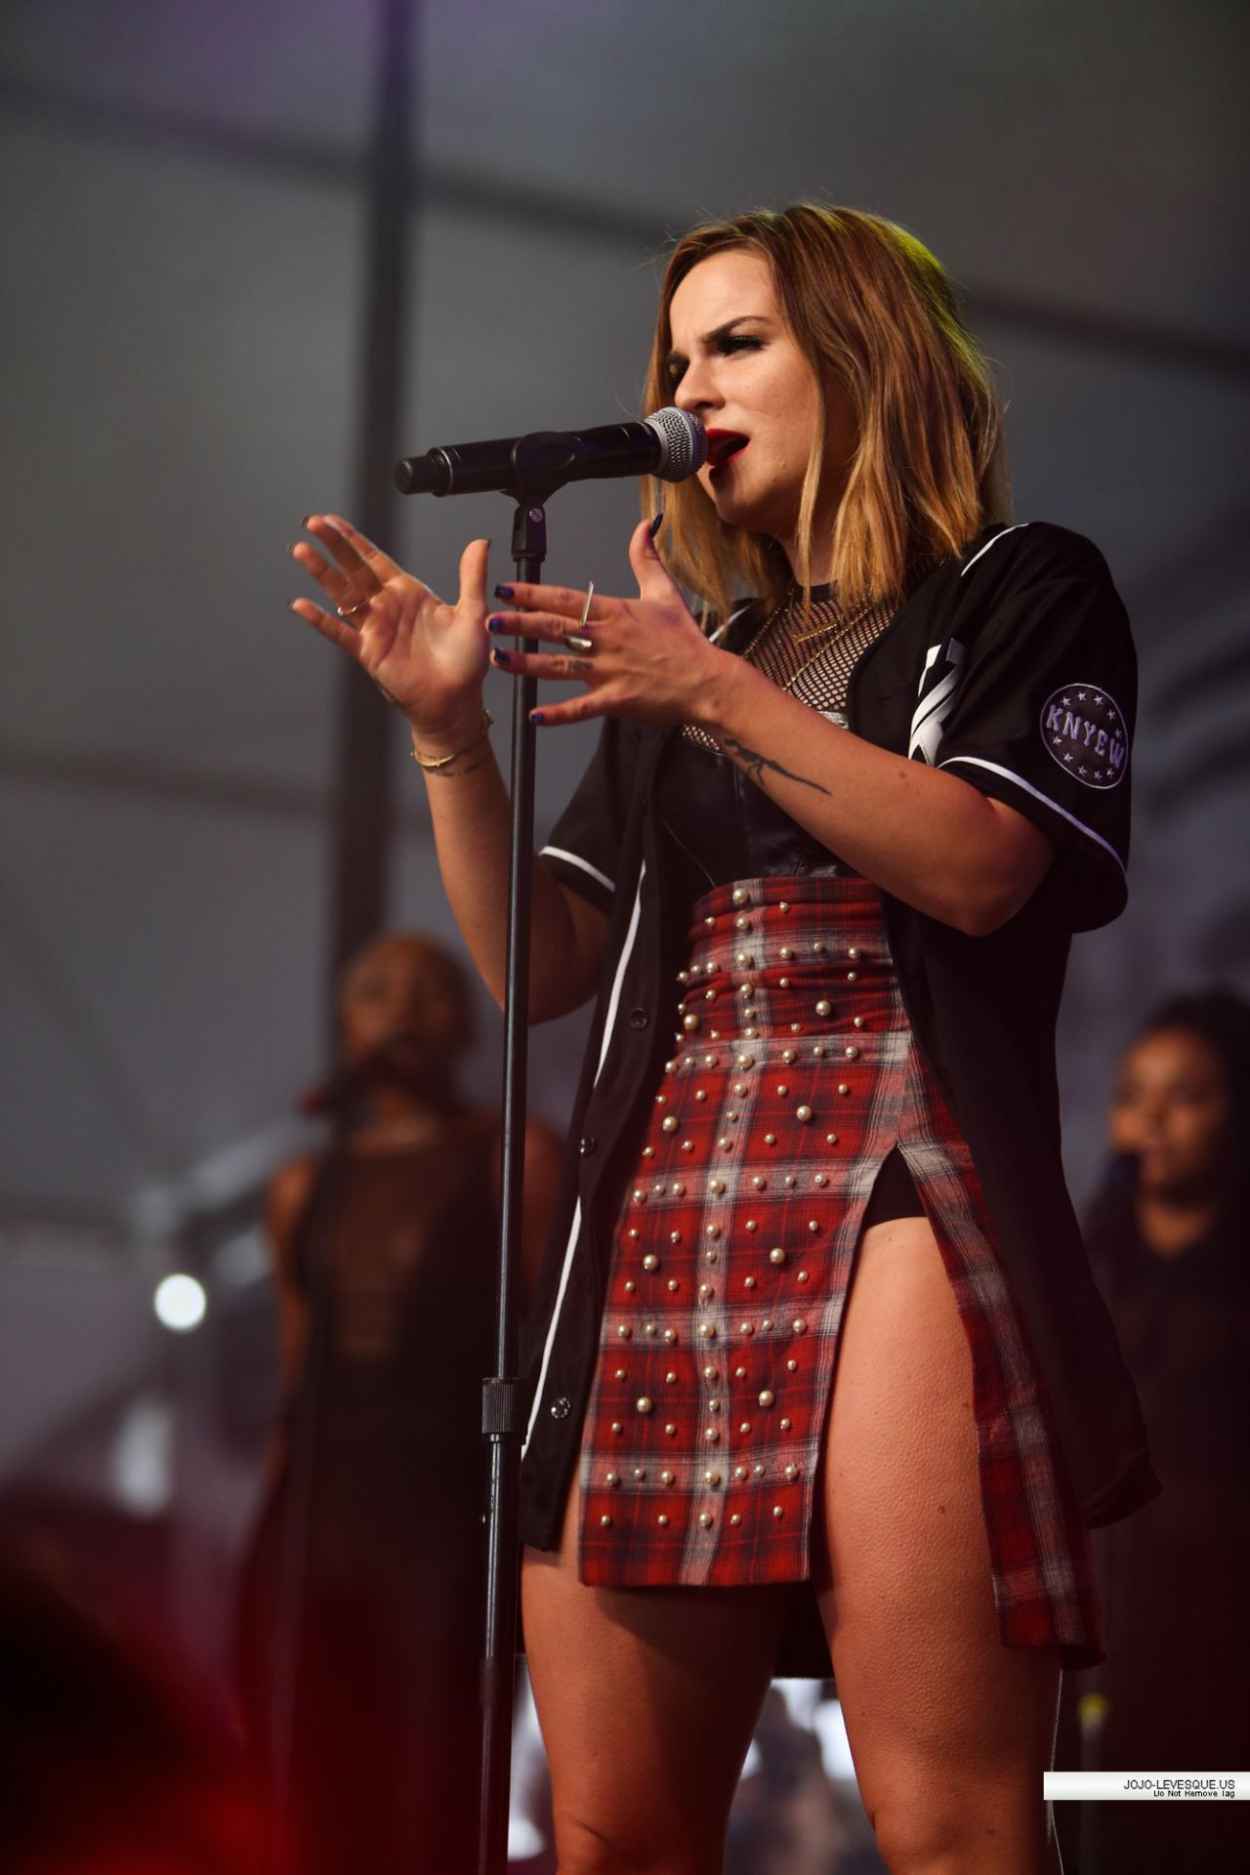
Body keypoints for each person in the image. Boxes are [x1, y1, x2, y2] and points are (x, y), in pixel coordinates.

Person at [289, 204, 1157, 1875]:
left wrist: (710, 698)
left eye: (735, 344)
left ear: (864, 356)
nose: (687, 387)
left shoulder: (1021, 589)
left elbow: (983, 865)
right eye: (674, 357)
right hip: (670, 1163)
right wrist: (448, 735)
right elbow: (536, 963)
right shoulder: (705, 650)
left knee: (952, 1825)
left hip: (909, 1155)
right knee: (609, 1834)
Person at [235, 931, 561, 1875]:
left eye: (431, 989)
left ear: (464, 1021)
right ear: (347, 1024)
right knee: (300, 1765)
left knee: (430, 1773)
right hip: (317, 1509)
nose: (406, 1009)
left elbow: (541, 1342)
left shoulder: (511, 1157)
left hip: (447, 1510)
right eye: (380, 990)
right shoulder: (306, 1185)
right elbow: (300, 1364)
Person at [1068, 991, 1250, 1873]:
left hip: (1225, 1615)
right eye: (1136, 1093)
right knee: (1106, 1819)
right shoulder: (1083, 1260)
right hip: (1112, 1605)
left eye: (1188, 1095)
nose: (1154, 1119)